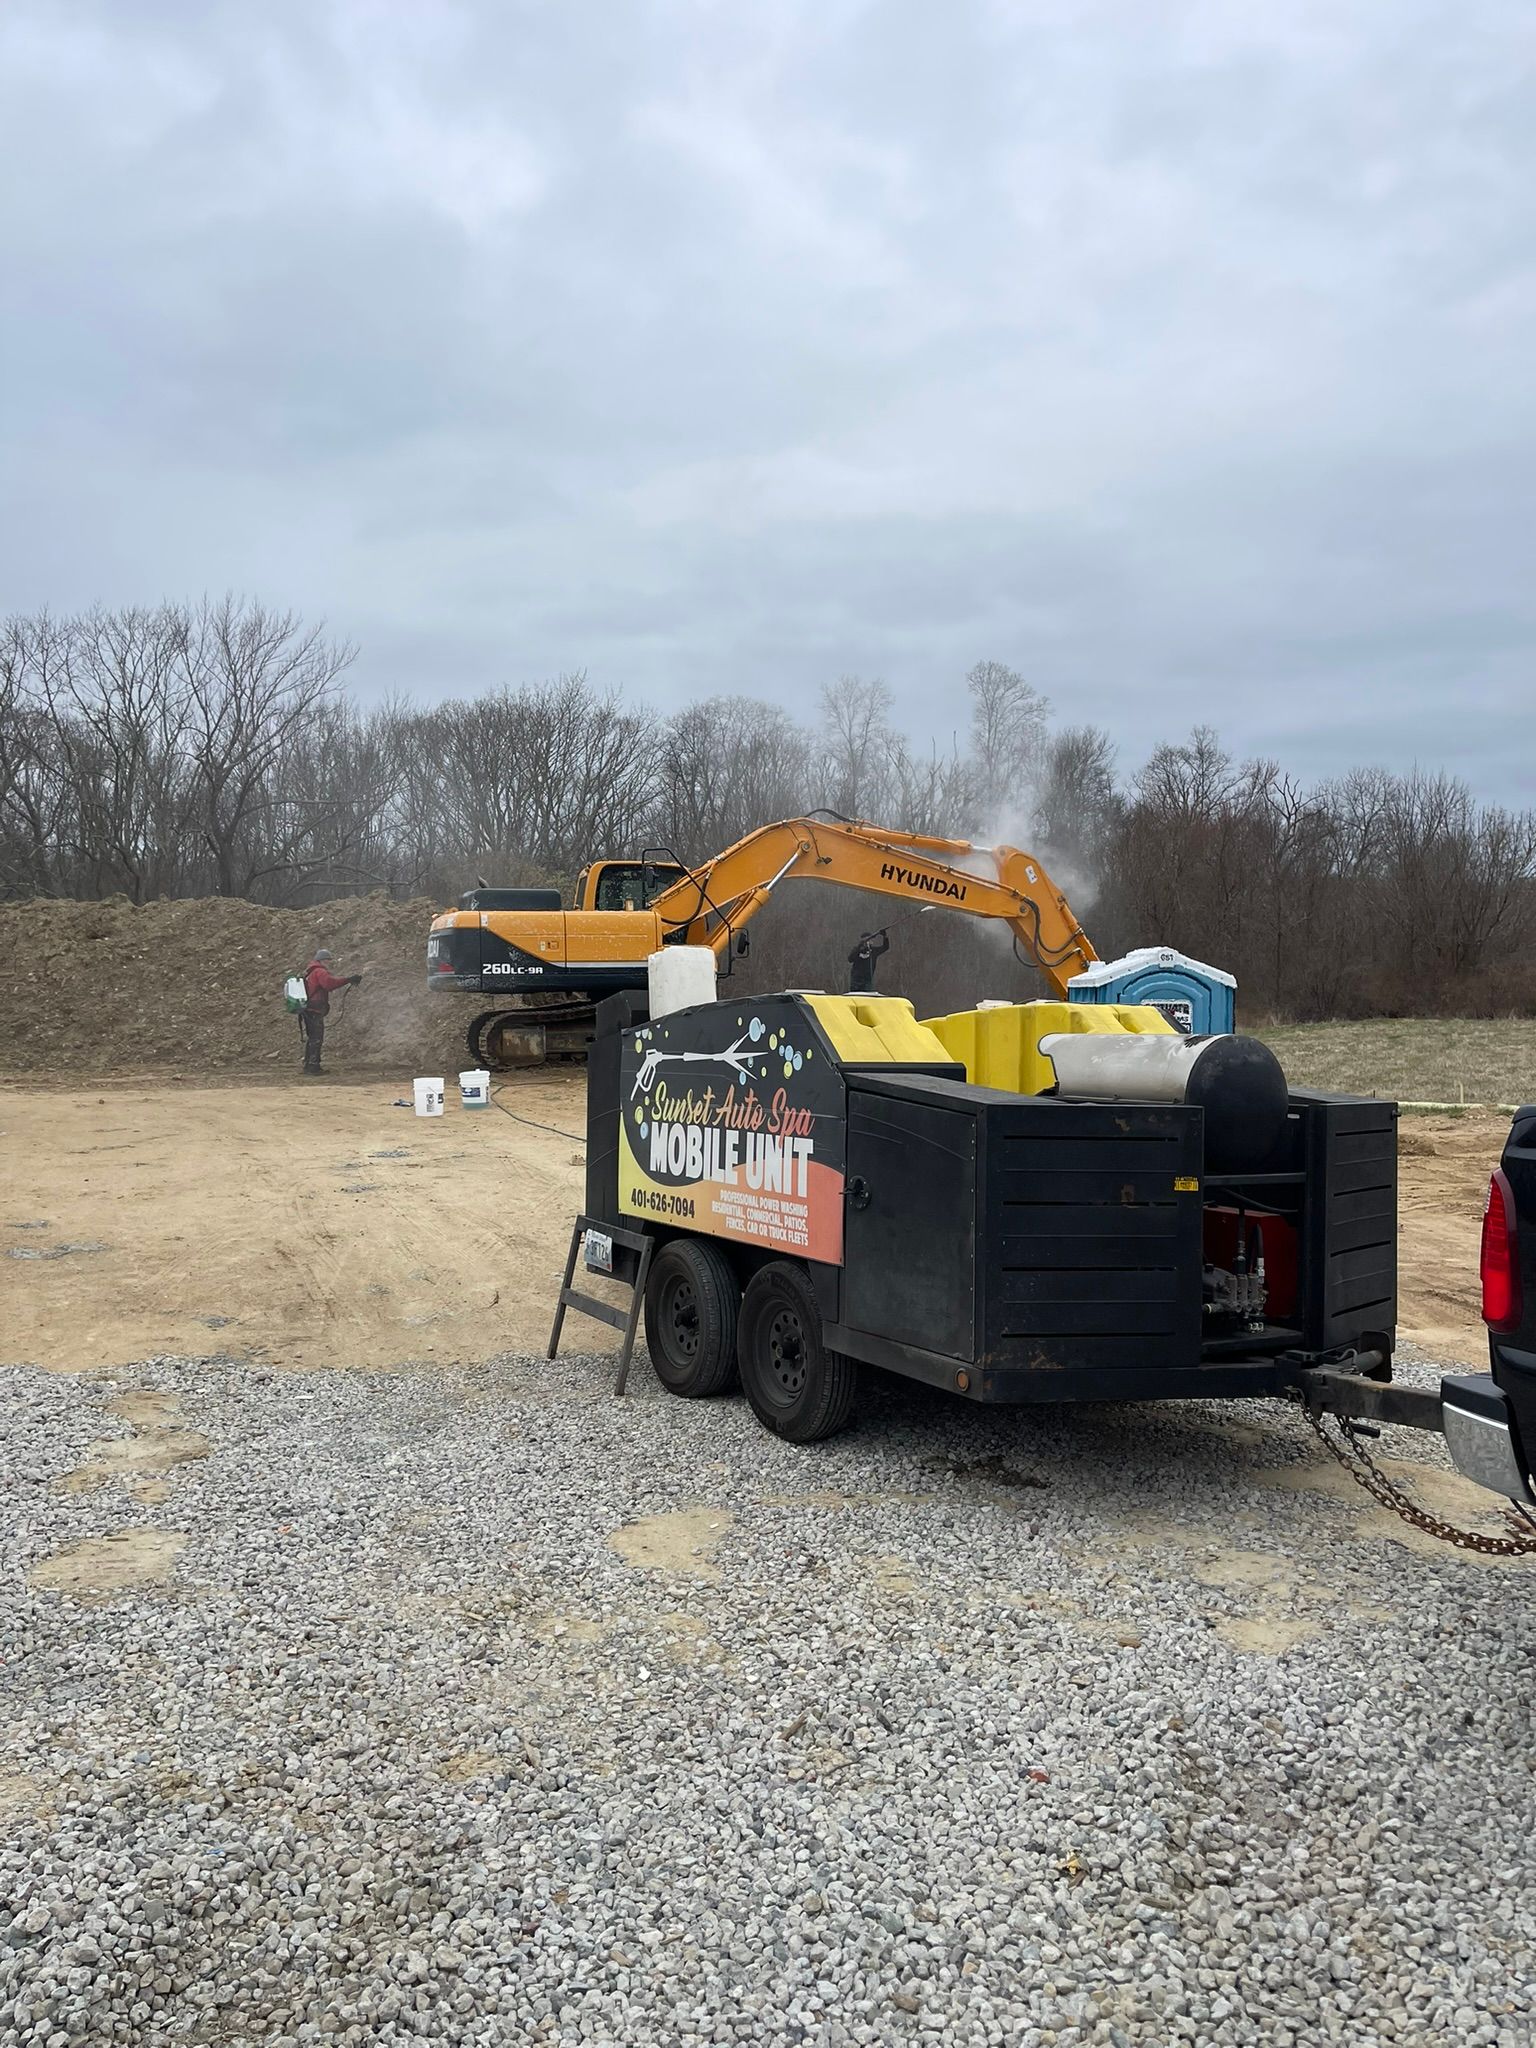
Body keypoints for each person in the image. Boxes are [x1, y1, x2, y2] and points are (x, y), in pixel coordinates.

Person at [300, 949, 362, 1074]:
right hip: (315, 1009)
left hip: (308, 1009)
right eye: (328, 960)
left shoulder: (310, 972)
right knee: (316, 1038)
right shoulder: (320, 971)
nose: (330, 962)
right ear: (322, 960)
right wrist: (348, 979)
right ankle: (313, 1067)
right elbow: (329, 984)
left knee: (312, 1037)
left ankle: (309, 1065)